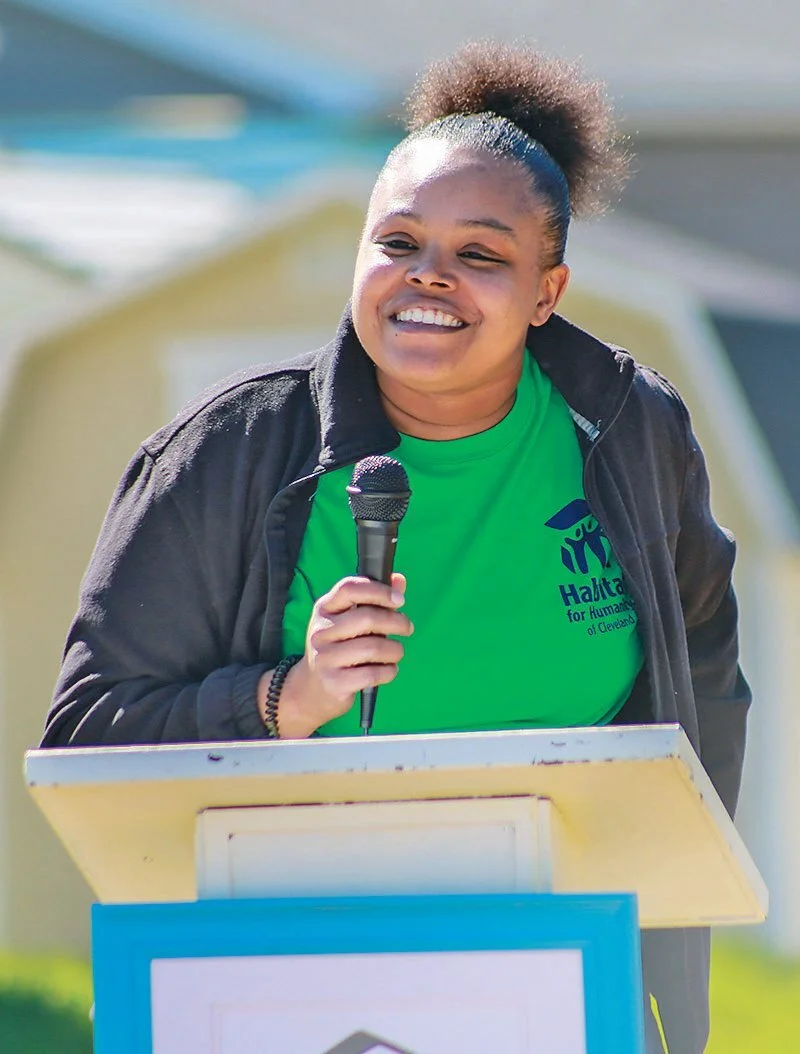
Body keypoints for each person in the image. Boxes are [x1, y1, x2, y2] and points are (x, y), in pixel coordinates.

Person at [42, 41, 750, 1054]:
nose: (429, 279)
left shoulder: (629, 432)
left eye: (480, 255)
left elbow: (703, 681)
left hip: (562, 961)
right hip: (282, 968)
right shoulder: (228, 454)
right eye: (398, 242)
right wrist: (288, 696)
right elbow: (85, 742)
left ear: (546, 290)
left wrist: (673, 926)